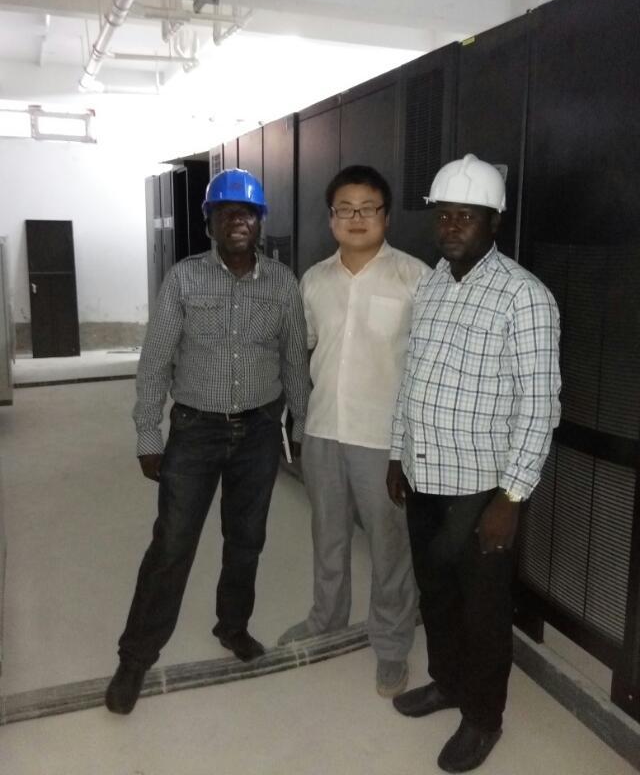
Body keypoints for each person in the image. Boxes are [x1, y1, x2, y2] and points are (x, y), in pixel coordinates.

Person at [105, 168, 310, 715]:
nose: (238, 220)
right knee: (172, 545)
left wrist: (300, 428)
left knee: (246, 540)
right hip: (195, 431)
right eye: (226, 212)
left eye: (248, 213)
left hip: (259, 431)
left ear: (260, 222)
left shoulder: (282, 283)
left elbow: (294, 360)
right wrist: (148, 433)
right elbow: (155, 361)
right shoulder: (184, 279)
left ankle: (232, 626)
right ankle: (135, 658)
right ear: (210, 222)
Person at [387, 154, 561, 772]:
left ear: (494, 221)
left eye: (468, 215)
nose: (452, 225)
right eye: (444, 215)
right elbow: (412, 379)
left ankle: (484, 718)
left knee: (483, 610)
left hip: (481, 490)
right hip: (424, 475)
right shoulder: (432, 284)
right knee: (435, 593)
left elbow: (540, 406)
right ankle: (448, 682)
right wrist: (397, 452)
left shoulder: (525, 297)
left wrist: (511, 498)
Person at [278, 165, 426, 697]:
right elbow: (302, 350)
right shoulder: (314, 280)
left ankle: (391, 643)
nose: (356, 217)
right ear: (331, 217)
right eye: (345, 208)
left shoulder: (415, 278)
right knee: (328, 535)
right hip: (323, 430)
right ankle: (326, 619)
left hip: (383, 438)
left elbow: (426, 363)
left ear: (386, 215)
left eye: (368, 208)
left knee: (390, 546)